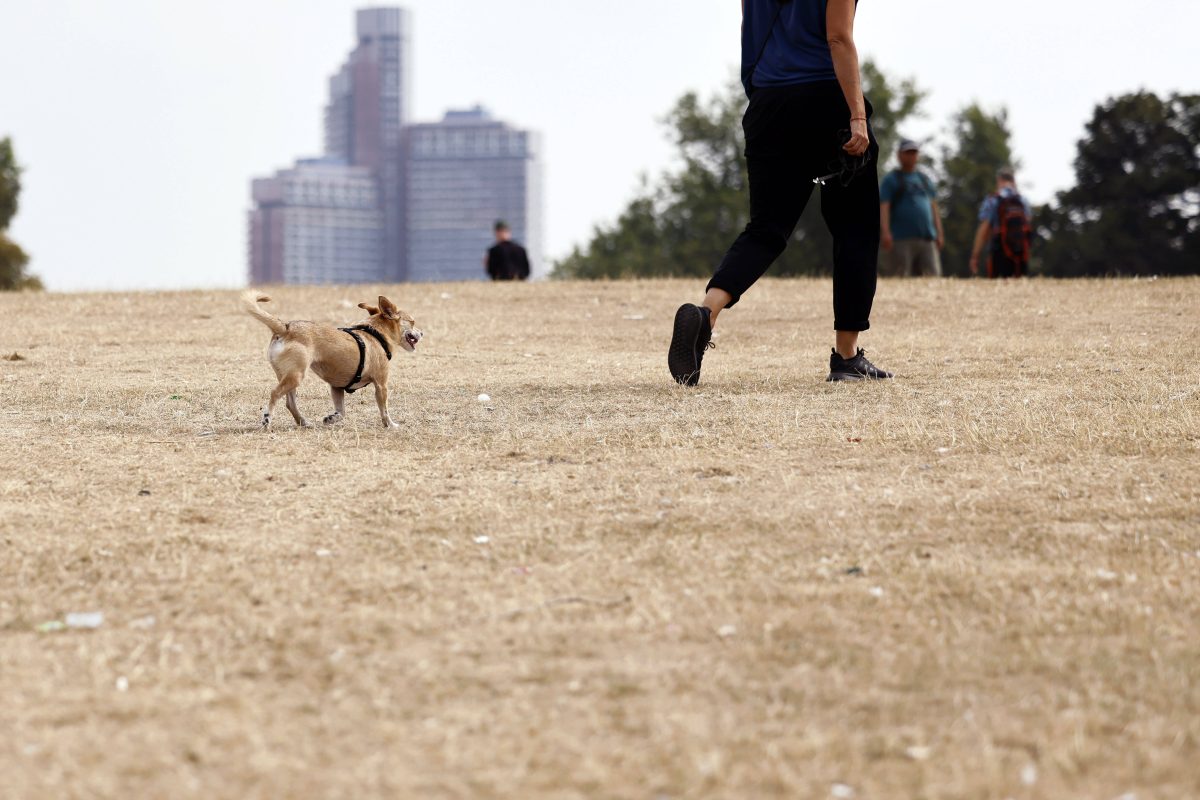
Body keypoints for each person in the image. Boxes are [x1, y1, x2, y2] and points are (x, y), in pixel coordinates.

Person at [667, 0, 892, 386]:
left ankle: (707, 312)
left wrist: (758, 91)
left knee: (766, 229)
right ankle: (847, 356)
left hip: (769, 104)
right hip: (827, 98)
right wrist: (857, 115)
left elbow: (749, 29)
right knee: (856, 227)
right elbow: (838, 37)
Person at [879, 139, 944, 277]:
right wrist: (885, 232)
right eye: (908, 152)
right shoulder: (891, 179)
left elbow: (933, 208)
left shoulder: (924, 179)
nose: (911, 156)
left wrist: (939, 233)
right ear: (899, 155)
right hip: (900, 239)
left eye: (914, 152)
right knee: (899, 277)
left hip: (927, 238)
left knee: (932, 277)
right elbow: (884, 207)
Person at [970, 168, 1033, 279]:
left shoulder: (993, 199)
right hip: (1021, 254)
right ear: (1014, 181)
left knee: (998, 292)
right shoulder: (1023, 200)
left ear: (999, 180)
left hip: (999, 252)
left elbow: (984, 229)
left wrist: (975, 256)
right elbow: (1028, 226)